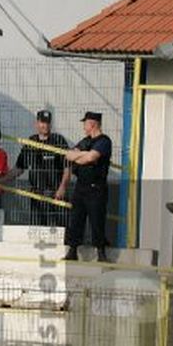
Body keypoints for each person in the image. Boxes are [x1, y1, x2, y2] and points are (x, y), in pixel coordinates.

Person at [61, 111, 112, 262]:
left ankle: (101, 252)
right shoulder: (85, 141)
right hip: (81, 186)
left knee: (97, 219)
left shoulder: (104, 141)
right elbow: (69, 155)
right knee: (76, 219)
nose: (84, 126)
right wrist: (83, 155)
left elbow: (91, 157)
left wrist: (82, 156)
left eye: (85, 123)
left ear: (92, 124)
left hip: (96, 187)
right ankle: (72, 250)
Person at [14, 110, 69, 227]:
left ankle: (65, 245)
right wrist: (1, 180)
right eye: (43, 122)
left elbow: (67, 167)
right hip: (37, 194)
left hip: (56, 194)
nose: (46, 125)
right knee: (38, 228)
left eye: (48, 122)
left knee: (61, 227)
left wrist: (62, 187)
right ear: (37, 123)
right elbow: (19, 168)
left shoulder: (59, 140)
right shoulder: (31, 142)